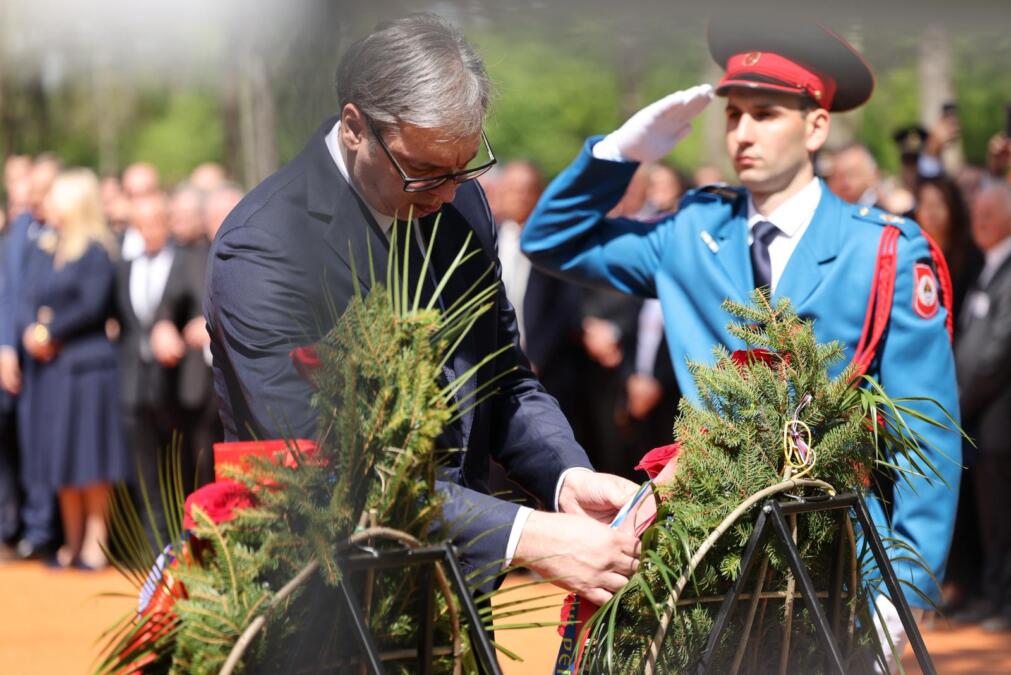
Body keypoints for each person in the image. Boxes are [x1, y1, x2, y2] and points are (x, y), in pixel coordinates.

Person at [521, 13, 960, 656]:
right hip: (701, 547)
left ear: (815, 126)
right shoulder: (690, 233)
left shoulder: (884, 252)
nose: (742, 132)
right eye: (733, 115)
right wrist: (620, 153)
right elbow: (550, 239)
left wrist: (904, 590)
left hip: (834, 552)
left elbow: (930, 433)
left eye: (765, 113)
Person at [205, 13, 640, 605]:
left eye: (465, 167)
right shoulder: (264, 247)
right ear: (355, 127)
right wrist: (525, 535)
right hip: (321, 606)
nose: (446, 193)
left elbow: (503, 379)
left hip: (457, 594)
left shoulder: (463, 209)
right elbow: (326, 471)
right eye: (424, 171)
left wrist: (566, 477)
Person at [16, 169, 129, 568]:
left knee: (91, 456)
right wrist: (33, 330)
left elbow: (93, 304)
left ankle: (95, 546)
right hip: (54, 369)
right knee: (61, 455)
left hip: (88, 367)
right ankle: (71, 540)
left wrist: (50, 331)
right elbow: (29, 295)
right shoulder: (49, 248)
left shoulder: (97, 250)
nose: (49, 204)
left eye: (56, 197)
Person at [953, 182, 1011, 631]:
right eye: (977, 213)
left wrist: (963, 399)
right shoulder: (987, 266)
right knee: (986, 517)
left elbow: (998, 351)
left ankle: (1004, 602)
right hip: (977, 420)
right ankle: (988, 595)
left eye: (990, 214)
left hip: (998, 420)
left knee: (1003, 516)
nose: (981, 222)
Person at [0, 154, 61, 560]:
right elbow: (11, 294)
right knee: (17, 445)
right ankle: (20, 527)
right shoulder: (17, 233)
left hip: (57, 357)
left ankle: (46, 530)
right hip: (17, 355)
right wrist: (8, 345)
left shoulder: (69, 231)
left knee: (49, 445)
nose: (30, 195)